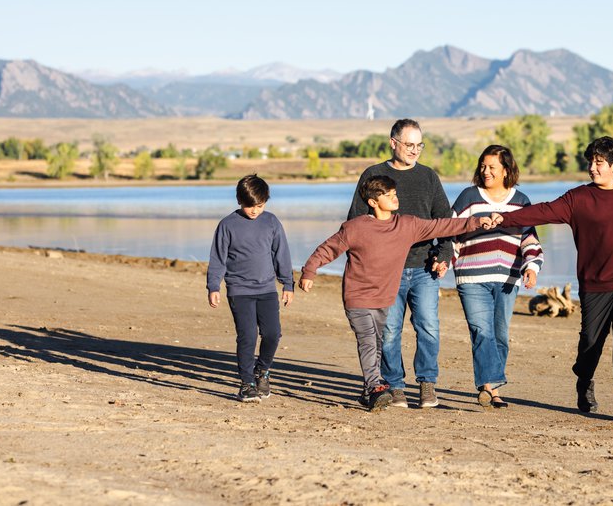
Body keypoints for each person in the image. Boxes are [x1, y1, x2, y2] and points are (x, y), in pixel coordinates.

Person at [493, 136, 613, 421]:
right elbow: (544, 211)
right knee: (590, 342)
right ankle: (584, 381)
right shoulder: (578, 199)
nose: (593, 168)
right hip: (594, 283)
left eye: (599, 163)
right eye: (591, 162)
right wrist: (504, 217)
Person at [299, 175, 492, 411]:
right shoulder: (355, 228)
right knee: (369, 341)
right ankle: (374, 388)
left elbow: (441, 225)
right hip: (358, 297)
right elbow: (327, 249)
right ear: (372, 201)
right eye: (387, 194)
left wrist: (475, 222)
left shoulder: (406, 226)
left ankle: (368, 388)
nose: (394, 197)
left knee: (379, 344)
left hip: (385, 298)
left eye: (394, 193)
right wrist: (309, 271)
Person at [347, 118, 453, 409]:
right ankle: (395, 386)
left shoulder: (428, 177)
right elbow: (355, 225)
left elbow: (445, 221)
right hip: (385, 272)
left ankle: (427, 384)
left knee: (428, 326)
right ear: (393, 143)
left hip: (423, 267)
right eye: (409, 145)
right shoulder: (374, 174)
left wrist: (443, 256)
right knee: (390, 330)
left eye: (420, 145)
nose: (415, 150)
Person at [451, 145, 544, 409]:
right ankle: (490, 388)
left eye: (492, 167)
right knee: (482, 331)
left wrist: (531, 267)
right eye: (483, 166)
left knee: (500, 334)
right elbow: (451, 230)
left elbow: (529, 239)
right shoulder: (469, 197)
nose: (486, 171)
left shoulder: (520, 201)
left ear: (506, 170)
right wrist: (445, 259)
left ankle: (491, 385)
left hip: (507, 280)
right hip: (471, 276)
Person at [206, 174, 294, 403]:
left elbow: (281, 254)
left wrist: (288, 283)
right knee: (247, 336)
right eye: (249, 206)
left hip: (266, 289)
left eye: (260, 205)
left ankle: (261, 372)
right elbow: (218, 258)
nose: (254, 210)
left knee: (273, 334)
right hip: (239, 289)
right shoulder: (227, 225)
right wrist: (213, 286)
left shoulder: (272, 222)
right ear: (239, 200)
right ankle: (246, 384)